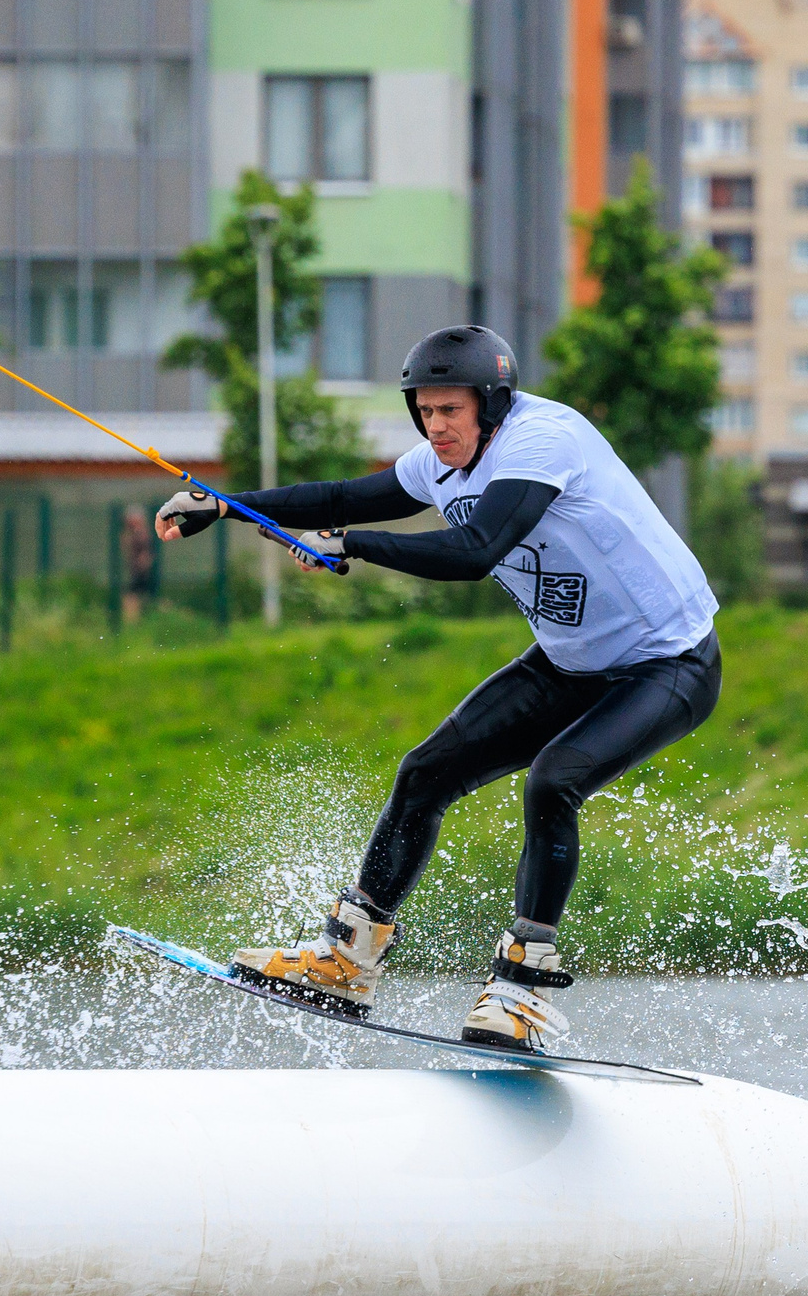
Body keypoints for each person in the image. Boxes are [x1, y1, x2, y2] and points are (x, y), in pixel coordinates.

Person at [153, 326, 721, 1053]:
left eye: (451, 410)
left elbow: (475, 551)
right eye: (424, 411)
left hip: (667, 663)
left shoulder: (543, 442)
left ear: (492, 403)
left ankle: (522, 990)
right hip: (570, 663)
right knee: (425, 773)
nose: (436, 426)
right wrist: (226, 505)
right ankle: (345, 962)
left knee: (554, 782)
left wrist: (351, 543)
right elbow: (345, 495)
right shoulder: (440, 462)